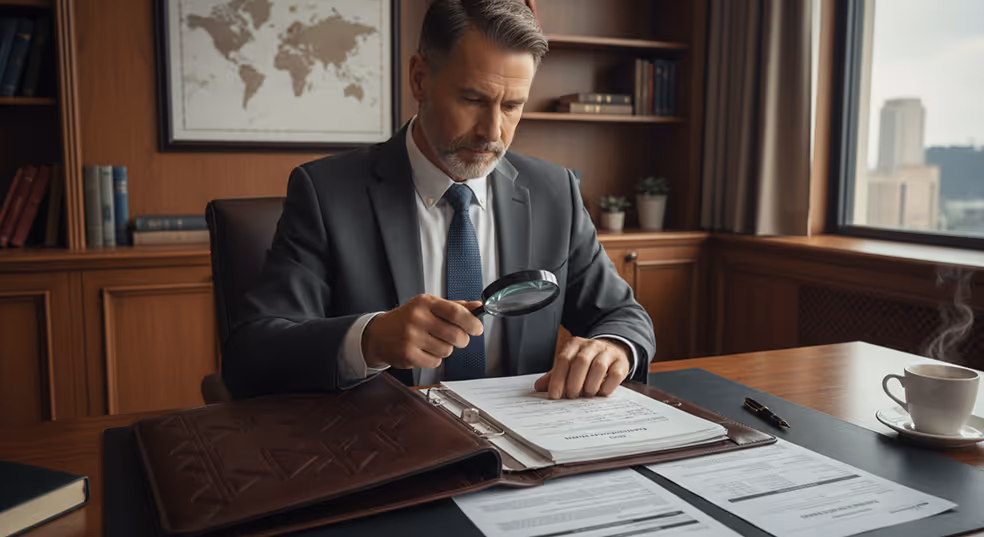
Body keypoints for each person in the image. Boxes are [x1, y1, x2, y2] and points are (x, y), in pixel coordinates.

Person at [223, 0, 655, 401]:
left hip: (529, 458)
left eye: (512, 106)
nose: (492, 131)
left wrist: (613, 348)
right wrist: (369, 339)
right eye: (473, 99)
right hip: (386, 453)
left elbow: (622, 314)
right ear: (419, 78)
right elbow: (252, 353)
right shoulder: (325, 193)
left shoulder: (554, 191)